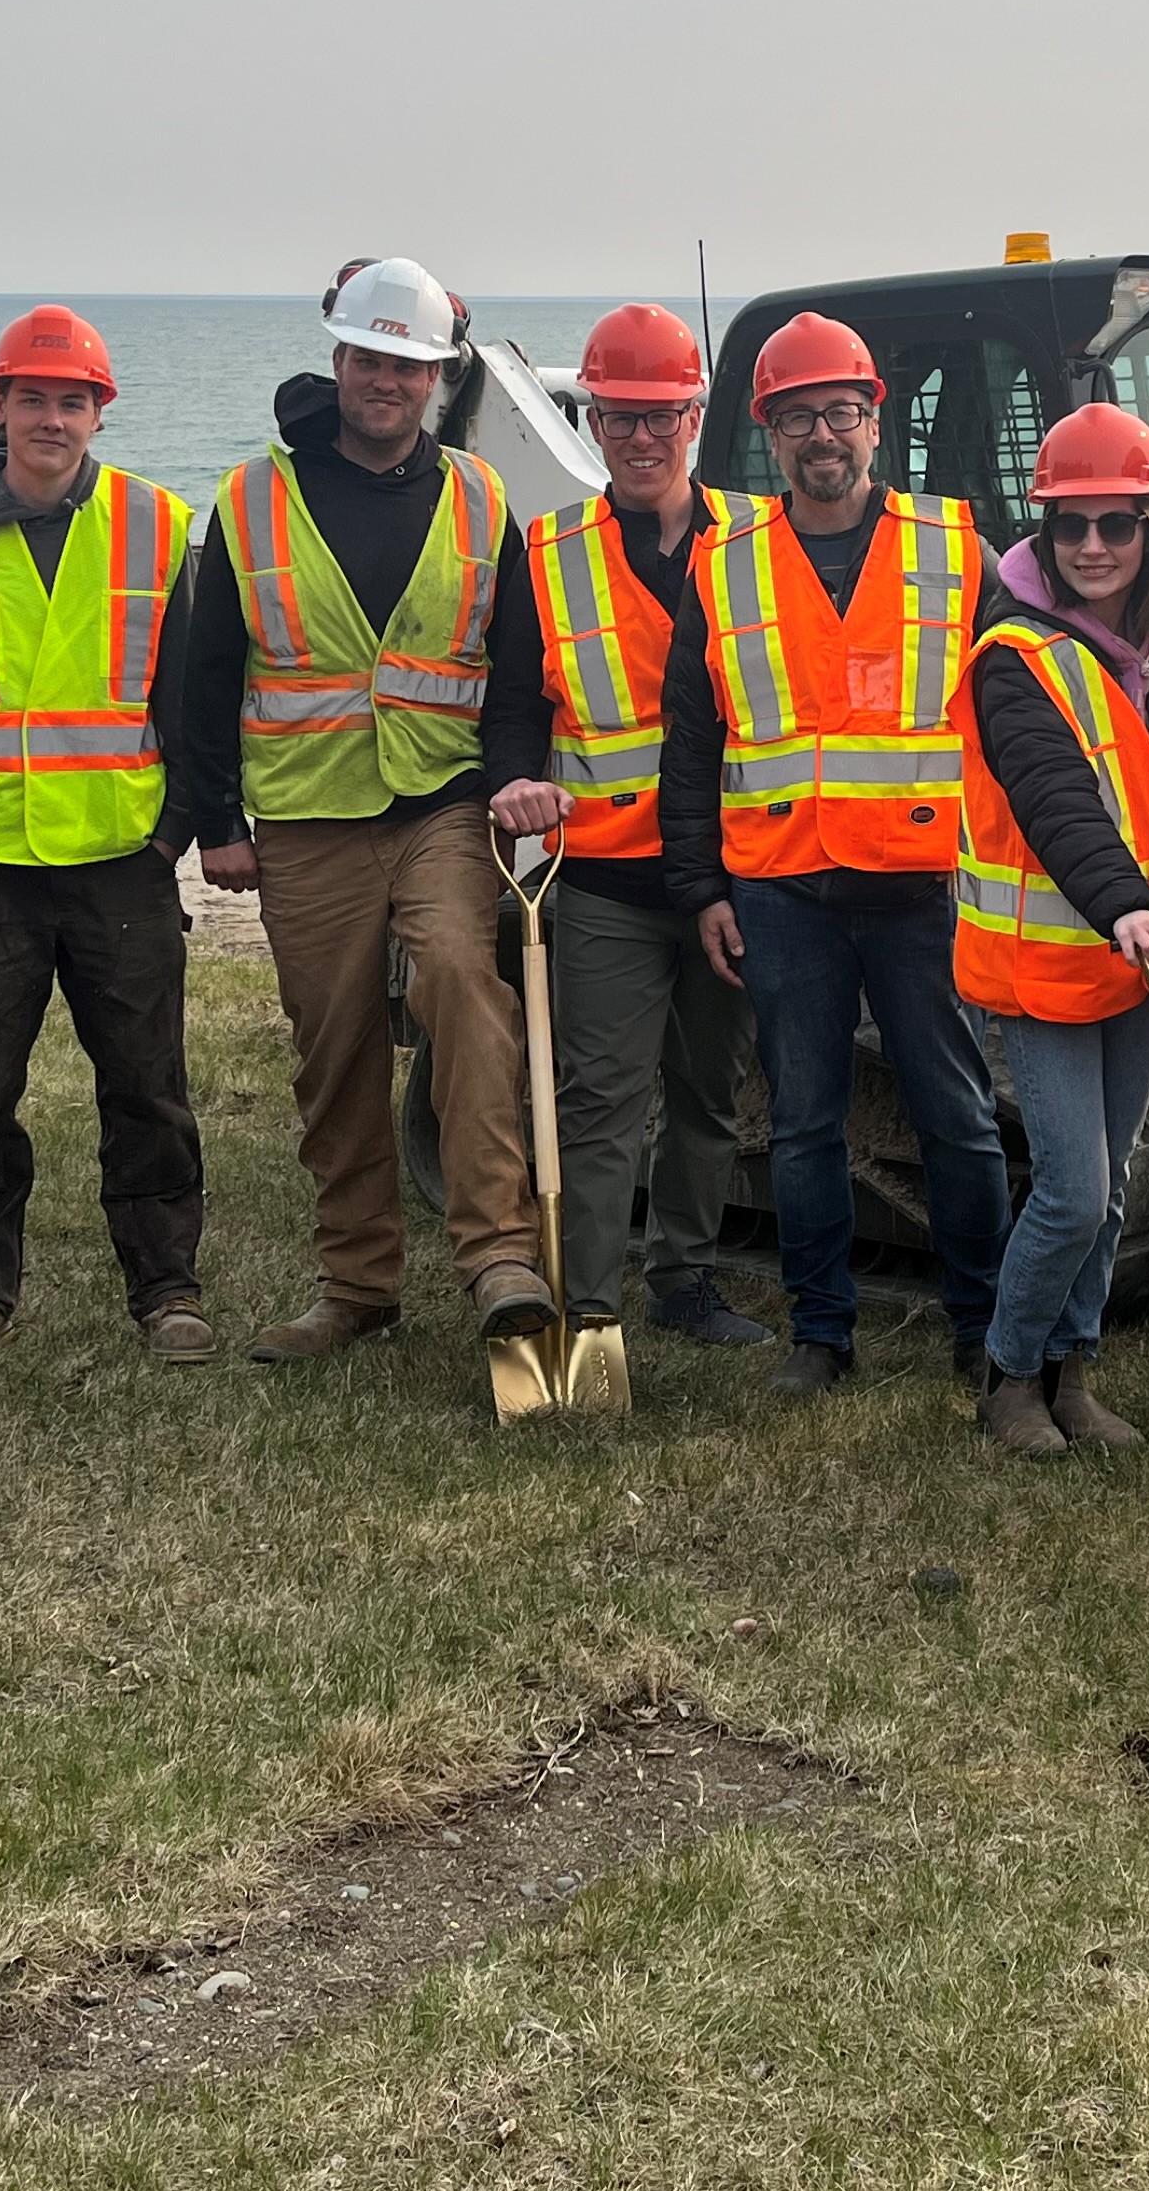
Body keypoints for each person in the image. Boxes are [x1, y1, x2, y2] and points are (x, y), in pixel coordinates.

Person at [172, 258, 552, 1363]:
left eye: (412, 367)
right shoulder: (251, 500)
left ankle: (498, 1257)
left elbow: (516, 672)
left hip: (443, 803)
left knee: (461, 987)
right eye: (372, 359)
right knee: (332, 1046)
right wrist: (216, 823)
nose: (391, 382)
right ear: (340, 360)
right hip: (305, 818)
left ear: (438, 379)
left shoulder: (482, 500)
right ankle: (357, 1284)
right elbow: (207, 676)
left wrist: (514, 777)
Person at [660, 312, 1009, 1398]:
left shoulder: (958, 550)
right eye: (800, 416)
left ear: (874, 422)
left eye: (842, 413)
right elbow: (690, 740)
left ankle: (984, 1324)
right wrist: (700, 889)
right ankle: (822, 1334)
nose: (825, 435)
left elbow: (1018, 723)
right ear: (769, 433)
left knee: (956, 1115)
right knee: (803, 1123)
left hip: (921, 892)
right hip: (781, 893)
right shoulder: (722, 566)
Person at [0, 305, 209, 1372]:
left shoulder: (158, 525)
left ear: (100, 416)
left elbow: (194, 694)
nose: (53, 419)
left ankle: (166, 1288)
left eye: (73, 402)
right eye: (34, 399)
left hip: (122, 861)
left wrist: (175, 834)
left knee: (149, 1087)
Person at [480, 305, 767, 1353]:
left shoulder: (758, 541)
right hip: (600, 881)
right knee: (599, 1102)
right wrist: (513, 777)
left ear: (697, 415)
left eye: (661, 418)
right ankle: (589, 1299)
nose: (641, 441)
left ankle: (685, 1281)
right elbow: (515, 701)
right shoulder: (547, 551)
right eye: (616, 420)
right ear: (588, 423)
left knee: (707, 1096)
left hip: (730, 882)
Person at [954, 404, 1149, 1456]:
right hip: (1053, 960)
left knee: (1115, 1191)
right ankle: (1009, 1376)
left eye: (1116, 525)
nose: (1093, 547)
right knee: (1075, 1186)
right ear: (1043, 535)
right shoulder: (1014, 655)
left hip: (1147, 965)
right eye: (1071, 527)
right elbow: (1056, 799)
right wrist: (1123, 904)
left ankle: (1074, 1371)